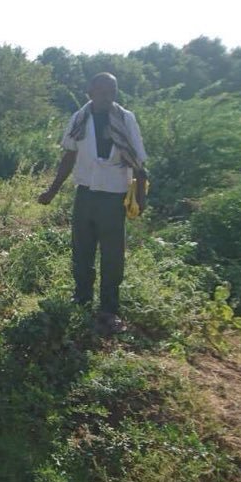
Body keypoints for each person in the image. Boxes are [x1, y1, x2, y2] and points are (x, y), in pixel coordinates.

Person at [38, 72, 148, 334]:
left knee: (112, 256)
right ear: (90, 92)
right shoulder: (79, 118)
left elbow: (139, 161)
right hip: (85, 193)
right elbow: (69, 156)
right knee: (82, 251)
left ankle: (109, 310)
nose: (107, 96)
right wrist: (52, 191)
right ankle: (82, 299)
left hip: (113, 195)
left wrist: (141, 198)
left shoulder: (125, 118)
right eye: (102, 91)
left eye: (112, 91)